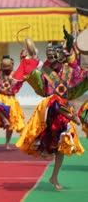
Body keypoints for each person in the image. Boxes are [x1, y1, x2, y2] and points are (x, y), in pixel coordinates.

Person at [16, 27, 87, 190]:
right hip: (52, 114)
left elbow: (79, 80)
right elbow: (47, 93)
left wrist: (73, 47)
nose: (52, 61)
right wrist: (25, 63)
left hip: (64, 114)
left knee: (61, 149)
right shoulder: (47, 73)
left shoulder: (70, 70)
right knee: (51, 146)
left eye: (55, 57)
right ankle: (48, 158)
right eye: (50, 58)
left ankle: (54, 177)